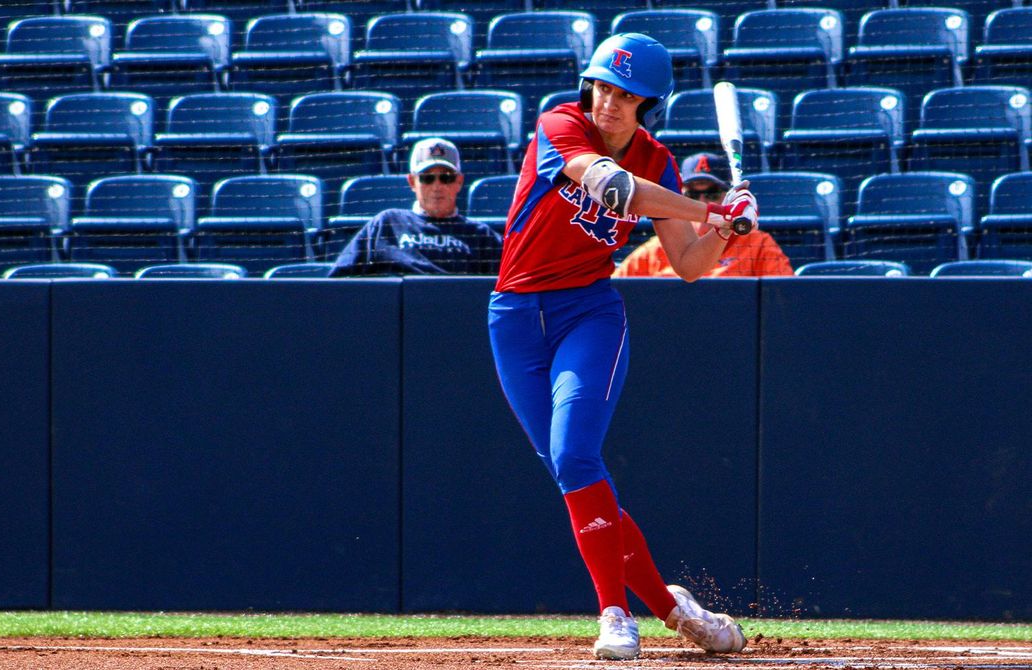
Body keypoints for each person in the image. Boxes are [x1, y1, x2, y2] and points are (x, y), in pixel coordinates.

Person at [486, 33, 757, 661]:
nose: (609, 101)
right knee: (571, 473)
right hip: (515, 316)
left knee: (575, 455)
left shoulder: (659, 160)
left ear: (647, 103)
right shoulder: (560, 123)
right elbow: (612, 189)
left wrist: (730, 226)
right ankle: (675, 610)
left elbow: (690, 264)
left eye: (626, 94)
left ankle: (616, 616)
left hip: (589, 312)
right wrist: (708, 210)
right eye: (604, 86)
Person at [329, 138, 503, 277]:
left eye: (446, 178)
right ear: (412, 182)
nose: (437, 186)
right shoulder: (387, 223)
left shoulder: (481, 235)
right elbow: (340, 281)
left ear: (459, 182)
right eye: (427, 178)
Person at [613, 152, 793, 277]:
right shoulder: (658, 249)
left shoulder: (757, 245)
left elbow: (783, 300)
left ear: (728, 197)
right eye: (691, 195)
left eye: (712, 194)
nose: (702, 202)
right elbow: (619, 291)